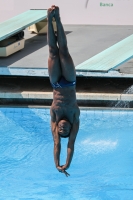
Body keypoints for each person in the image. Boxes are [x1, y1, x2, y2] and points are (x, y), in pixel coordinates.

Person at [47, 5, 80, 177]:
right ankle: (58, 19)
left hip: (56, 84)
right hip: (69, 83)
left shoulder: (54, 118)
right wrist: (67, 163)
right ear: (70, 129)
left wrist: (56, 165)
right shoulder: (74, 117)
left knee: (53, 52)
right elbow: (70, 145)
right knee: (64, 52)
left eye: (60, 130)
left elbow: (56, 144)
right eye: (64, 130)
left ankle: (48, 19)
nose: (61, 128)